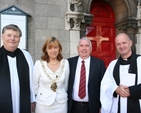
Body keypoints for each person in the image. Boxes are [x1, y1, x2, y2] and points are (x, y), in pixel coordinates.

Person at [100, 33, 141, 113]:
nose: (121, 46)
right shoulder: (113, 64)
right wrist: (116, 89)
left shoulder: (140, 61)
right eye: (118, 44)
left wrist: (131, 91)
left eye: (124, 43)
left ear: (130, 43)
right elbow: (105, 84)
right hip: (117, 107)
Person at [0, 24, 35, 113]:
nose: (12, 38)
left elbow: (32, 79)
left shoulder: (26, 55)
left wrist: (32, 99)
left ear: (19, 39)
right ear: (2, 37)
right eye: (9, 35)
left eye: (16, 36)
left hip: (23, 100)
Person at [68, 37, 106, 113]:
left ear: (91, 48)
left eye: (87, 46)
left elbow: (104, 85)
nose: (84, 48)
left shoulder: (99, 64)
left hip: (92, 107)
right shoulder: (69, 63)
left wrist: (101, 105)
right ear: (77, 48)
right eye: (81, 46)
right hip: (73, 106)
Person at [33, 36, 69, 113]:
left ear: (59, 49)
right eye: (50, 48)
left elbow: (66, 84)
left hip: (61, 103)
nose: (53, 50)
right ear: (45, 49)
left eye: (55, 47)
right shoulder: (39, 64)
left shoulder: (65, 63)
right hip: (43, 104)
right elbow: (35, 85)